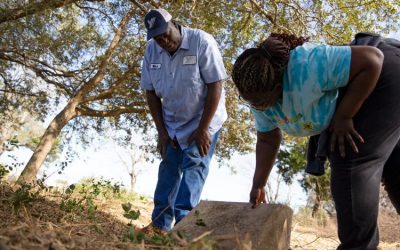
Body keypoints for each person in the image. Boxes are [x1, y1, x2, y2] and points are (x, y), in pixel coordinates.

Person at [231, 33, 400, 250]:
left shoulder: (306, 66)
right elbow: (267, 140)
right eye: (250, 101)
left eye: (261, 100)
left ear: (277, 85)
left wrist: (344, 116)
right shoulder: (259, 98)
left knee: (350, 158)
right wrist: (258, 183)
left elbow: (372, 59)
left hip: (385, 73)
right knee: (395, 168)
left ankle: (358, 246)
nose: (257, 106)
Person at [140, 9, 227, 233]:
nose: (163, 40)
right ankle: (159, 225)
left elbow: (215, 85)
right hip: (172, 123)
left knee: (194, 166)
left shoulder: (202, 42)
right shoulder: (152, 51)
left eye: (165, 33)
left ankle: (183, 230)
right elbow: (150, 92)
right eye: (157, 37)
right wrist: (161, 131)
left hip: (203, 121)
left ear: (174, 24)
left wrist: (203, 129)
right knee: (168, 167)